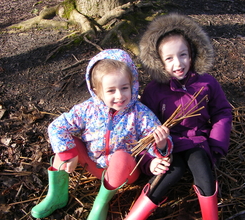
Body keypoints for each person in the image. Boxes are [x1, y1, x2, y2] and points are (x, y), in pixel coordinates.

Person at [30, 49, 173, 219]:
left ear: (133, 85)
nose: (119, 96)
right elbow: (57, 126)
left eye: (124, 88)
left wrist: (161, 146)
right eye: (111, 91)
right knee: (67, 142)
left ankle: (100, 204)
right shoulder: (88, 109)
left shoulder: (139, 113)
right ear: (97, 91)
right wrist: (68, 153)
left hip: (123, 172)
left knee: (122, 157)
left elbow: (154, 138)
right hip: (93, 164)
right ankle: (57, 195)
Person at [124, 14, 233, 220]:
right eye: (169, 58)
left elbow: (222, 112)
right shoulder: (155, 91)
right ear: (159, 62)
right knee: (169, 173)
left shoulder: (207, 83)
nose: (178, 63)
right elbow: (145, 127)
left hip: (196, 142)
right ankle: (135, 216)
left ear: (192, 54)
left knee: (203, 170)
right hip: (167, 145)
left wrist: (217, 145)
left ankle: (211, 216)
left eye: (183, 55)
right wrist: (152, 156)